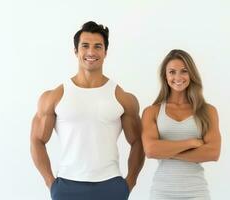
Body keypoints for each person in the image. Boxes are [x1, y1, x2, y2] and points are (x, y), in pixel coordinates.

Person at [30, 21, 145, 200]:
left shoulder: (123, 97)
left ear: (105, 52)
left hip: (111, 185)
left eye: (98, 46)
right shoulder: (54, 96)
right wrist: (50, 183)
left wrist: (129, 183)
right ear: (76, 51)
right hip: (67, 185)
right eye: (85, 46)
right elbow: (37, 140)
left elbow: (138, 141)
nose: (91, 52)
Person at [142, 49, 221, 200]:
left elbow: (213, 153)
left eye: (184, 71)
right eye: (172, 72)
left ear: (191, 74)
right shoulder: (152, 112)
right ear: (165, 76)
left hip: (197, 192)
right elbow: (151, 150)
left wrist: (165, 150)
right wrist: (190, 143)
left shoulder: (207, 111)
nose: (177, 77)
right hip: (162, 192)